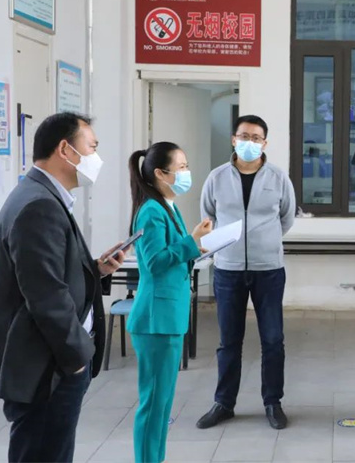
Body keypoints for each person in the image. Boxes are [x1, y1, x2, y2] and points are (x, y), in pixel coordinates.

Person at [0, 112, 125, 463]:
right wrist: (76, 358)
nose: (95, 157)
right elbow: (45, 296)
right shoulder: (39, 205)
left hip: (51, 360)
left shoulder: (43, 196)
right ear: (65, 150)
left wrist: (95, 270)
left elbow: (48, 274)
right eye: (91, 147)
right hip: (47, 366)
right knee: (44, 453)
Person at [197, 115, 296, 430]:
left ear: (265, 143)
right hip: (228, 269)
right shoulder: (216, 177)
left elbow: (286, 217)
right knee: (229, 341)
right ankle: (224, 403)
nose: (249, 142)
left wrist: (264, 241)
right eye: (244, 136)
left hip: (269, 269)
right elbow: (208, 217)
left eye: (256, 138)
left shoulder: (278, 177)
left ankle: (273, 402)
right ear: (233, 139)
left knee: (273, 339)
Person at [127, 142, 213, 463]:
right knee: (153, 404)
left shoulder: (168, 207)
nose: (187, 172)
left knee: (162, 404)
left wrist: (194, 245)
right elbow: (154, 262)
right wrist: (191, 241)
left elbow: (173, 253)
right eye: (181, 167)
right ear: (161, 174)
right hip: (156, 319)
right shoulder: (151, 210)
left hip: (169, 315)